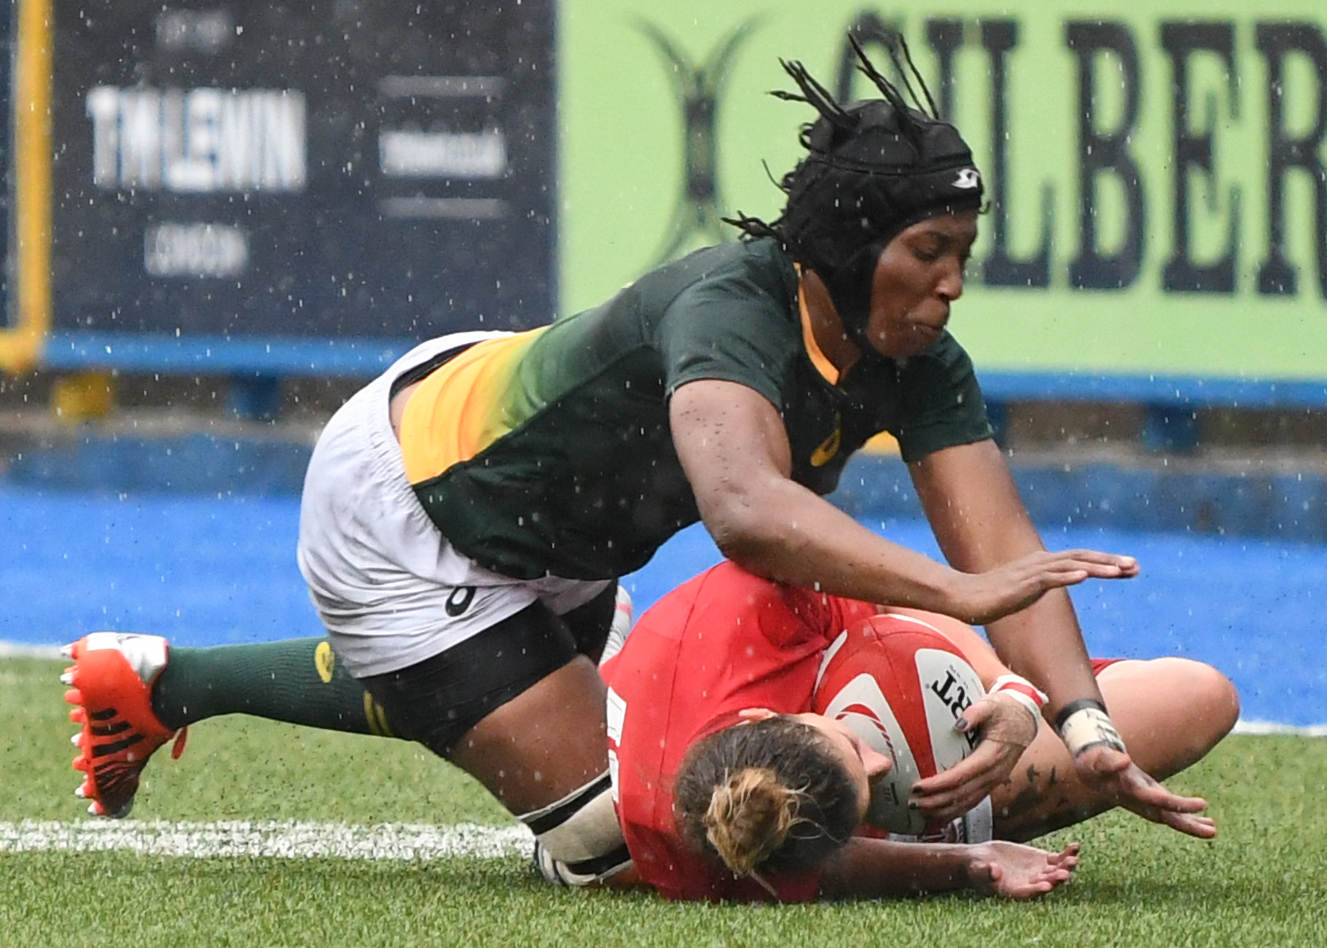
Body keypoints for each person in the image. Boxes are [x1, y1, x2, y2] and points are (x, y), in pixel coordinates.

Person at [61, 39, 1162, 883]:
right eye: (928, 253)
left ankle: (162, 684)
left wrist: (1083, 721)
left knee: (529, 712)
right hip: (414, 504)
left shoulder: (915, 355)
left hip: (559, 521)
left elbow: (1005, 550)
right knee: (612, 844)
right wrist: (960, 603)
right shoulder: (734, 311)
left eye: (961, 256)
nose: (952, 285)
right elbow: (745, 513)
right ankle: (205, 680)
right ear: (847, 242)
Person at [59, 558, 1237, 901]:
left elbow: (925, 586)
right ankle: (174, 679)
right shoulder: (671, 842)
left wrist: (1031, 699)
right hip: (605, 762)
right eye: (869, 769)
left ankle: (161, 678)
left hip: (626, 642)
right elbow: (829, 865)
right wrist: (971, 859)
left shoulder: (747, 612)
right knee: (568, 818)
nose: (874, 754)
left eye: (852, 747)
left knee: (1190, 702)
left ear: (775, 710)